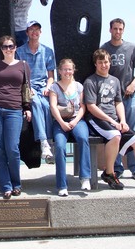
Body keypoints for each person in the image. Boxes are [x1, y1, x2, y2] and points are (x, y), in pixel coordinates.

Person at [83, 48, 135, 191]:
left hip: (114, 120)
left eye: (106, 62)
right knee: (115, 135)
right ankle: (109, 173)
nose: (104, 65)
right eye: (101, 62)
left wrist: (122, 120)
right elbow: (91, 107)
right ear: (95, 64)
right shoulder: (90, 81)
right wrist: (112, 121)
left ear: (110, 63)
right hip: (96, 119)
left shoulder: (114, 81)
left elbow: (118, 102)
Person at [0, 35, 32, 199]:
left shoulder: (23, 65)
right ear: (1, 49)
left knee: (12, 148)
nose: (8, 49)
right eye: (5, 47)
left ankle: (16, 183)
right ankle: (5, 186)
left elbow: (26, 87)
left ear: (15, 48)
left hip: (14, 110)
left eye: (11, 46)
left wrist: (27, 107)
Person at [101, 18, 135, 181]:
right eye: (115, 29)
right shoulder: (104, 49)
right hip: (111, 100)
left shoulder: (131, 48)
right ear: (110, 30)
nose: (117, 32)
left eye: (120, 29)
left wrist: (133, 84)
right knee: (115, 133)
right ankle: (117, 167)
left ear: (123, 30)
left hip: (130, 96)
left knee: (134, 131)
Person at [49, 59, 91, 196]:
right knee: (60, 146)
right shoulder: (54, 87)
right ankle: (62, 185)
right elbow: (53, 106)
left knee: (83, 138)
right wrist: (62, 123)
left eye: (70, 69)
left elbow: (83, 106)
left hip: (77, 120)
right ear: (60, 71)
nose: (67, 72)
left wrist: (75, 121)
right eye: (64, 69)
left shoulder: (79, 86)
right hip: (60, 122)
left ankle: (85, 177)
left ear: (73, 70)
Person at [16, 20, 55, 162]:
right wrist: (28, 87)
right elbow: (19, 74)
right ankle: (44, 141)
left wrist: (48, 87)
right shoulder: (19, 52)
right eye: (31, 29)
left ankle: (50, 141)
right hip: (28, 87)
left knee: (47, 106)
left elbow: (51, 76)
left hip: (43, 87)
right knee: (37, 104)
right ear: (27, 33)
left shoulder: (47, 51)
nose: (34, 32)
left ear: (40, 32)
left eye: (37, 29)